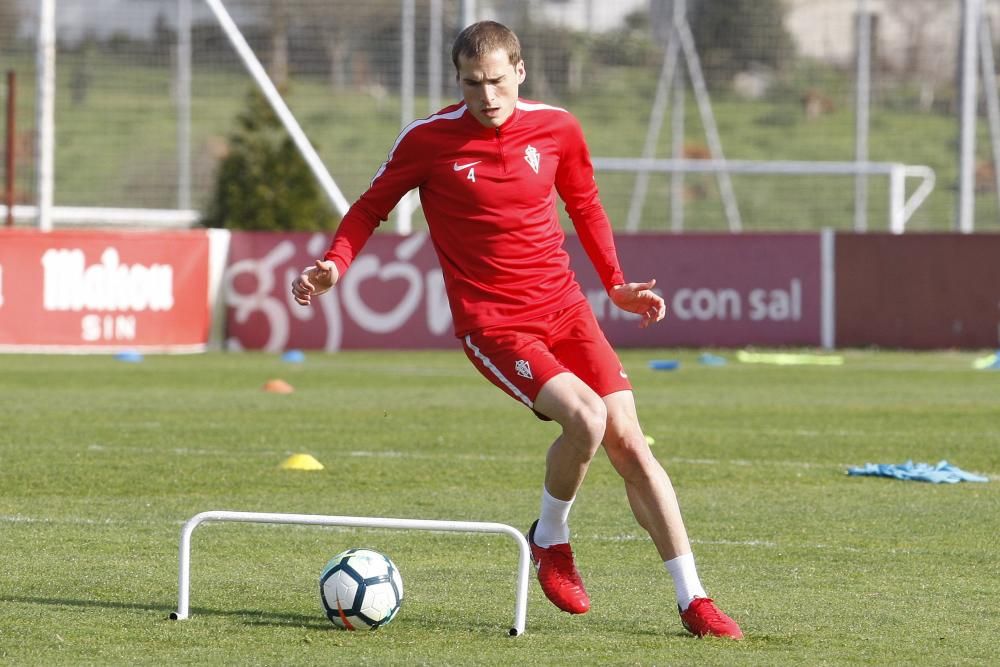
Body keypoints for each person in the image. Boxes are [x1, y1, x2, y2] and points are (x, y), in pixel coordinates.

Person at [292, 20, 742, 640]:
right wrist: (334, 265)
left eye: (498, 81)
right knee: (585, 419)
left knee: (631, 444)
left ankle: (694, 599)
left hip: (566, 310)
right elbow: (370, 207)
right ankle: (551, 537)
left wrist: (614, 284)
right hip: (494, 325)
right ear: (458, 81)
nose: (488, 96)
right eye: (473, 83)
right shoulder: (428, 140)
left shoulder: (558, 127)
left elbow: (585, 206)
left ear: (520, 72)